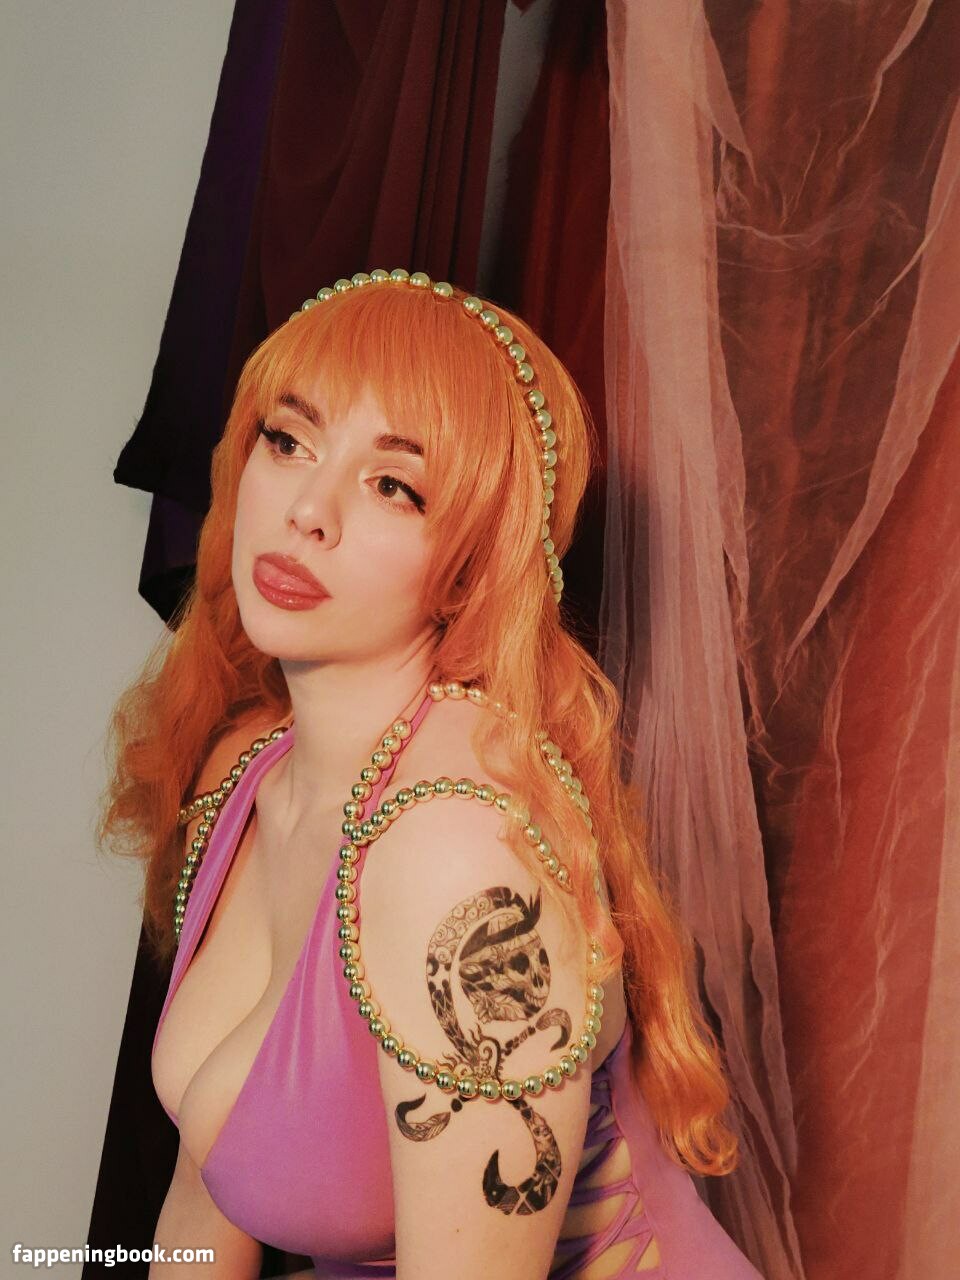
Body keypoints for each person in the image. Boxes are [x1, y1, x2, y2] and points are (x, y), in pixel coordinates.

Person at [99, 269, 764, 1279]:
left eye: (393, 486)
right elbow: (203, 1204)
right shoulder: (255, 772)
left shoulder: (455, 850)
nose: (308, 510)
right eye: (290, 440)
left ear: (471, 566)